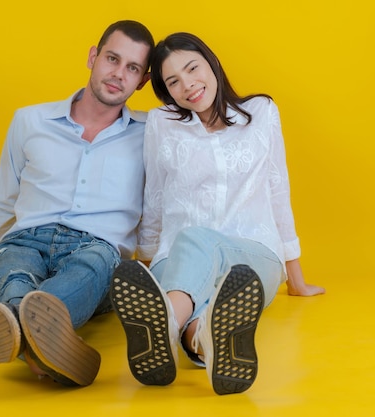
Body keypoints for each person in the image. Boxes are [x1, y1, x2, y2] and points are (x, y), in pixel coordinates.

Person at [0, 20, 155, 387]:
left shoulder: (152, 132)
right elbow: (4, 198)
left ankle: (16, 331)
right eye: (112, 58)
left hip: (97, 249)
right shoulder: (30, 120)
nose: (118, 74)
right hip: (24, 240)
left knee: (91, 269)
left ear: (142, 81)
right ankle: (39, 344)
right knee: (11, 271)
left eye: (132, 68)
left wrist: (157, 265)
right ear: (93, 57)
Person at [109, 32, 325, 396]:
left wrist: (296, 278)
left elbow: (277, 189)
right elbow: (155, 196)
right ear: (166, 91)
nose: (188, 85)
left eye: (192, 68)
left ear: (211, 63)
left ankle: (162, 324)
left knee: (197, 239)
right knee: (195, 280)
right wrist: (146, 263)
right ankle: (201, 342)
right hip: (175, 260)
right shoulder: (162, 122)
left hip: (251, 259)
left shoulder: (262, 112)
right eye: (173, 82)